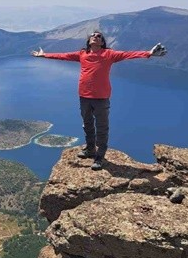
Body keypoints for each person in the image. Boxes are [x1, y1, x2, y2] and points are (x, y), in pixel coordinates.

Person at [31, 32, 167, 170]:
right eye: (92, 35)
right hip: (84, 96)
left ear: (102, 42)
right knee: (87, 124)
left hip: (101, 98)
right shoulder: (82, 54)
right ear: (89, 41)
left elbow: (128, 54)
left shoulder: (109, 54)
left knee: (102, 128)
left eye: (98, 36)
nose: (95, 36)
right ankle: (90, 150)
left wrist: (148, 53)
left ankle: (99, 157)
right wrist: (44, 55)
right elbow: (63, 56)